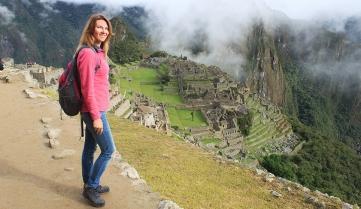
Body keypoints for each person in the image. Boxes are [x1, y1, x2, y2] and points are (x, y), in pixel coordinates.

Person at [76, 14, 115, 208]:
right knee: (108, 150)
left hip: (97, 109)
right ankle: (90, 186)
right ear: (91, 29)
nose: (104, 31)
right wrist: (96, 117)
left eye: (106, 28)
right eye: (100, 27)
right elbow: (87, 89)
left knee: (90, 149)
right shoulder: (88, 54)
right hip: (94, 111)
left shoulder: (97, 51)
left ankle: (90, 182)